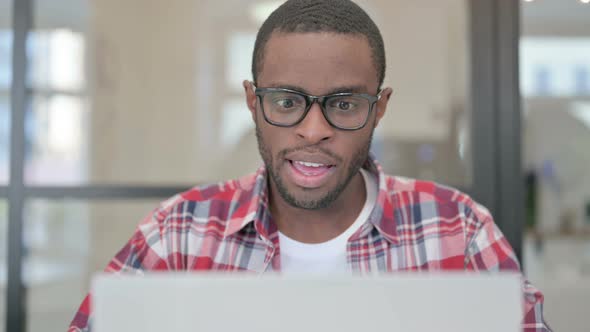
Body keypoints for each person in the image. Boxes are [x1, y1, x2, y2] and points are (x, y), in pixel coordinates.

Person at [68, 0, 550, 331]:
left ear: (379, 109)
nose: (313, 130)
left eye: (343, 105)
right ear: (253, 102)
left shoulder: (459, 230)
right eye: (286, 101)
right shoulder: (176, 234)